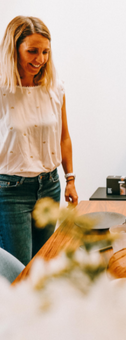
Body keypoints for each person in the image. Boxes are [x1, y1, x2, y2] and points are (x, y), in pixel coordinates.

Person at [0, 16, 78, 266]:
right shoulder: (2, 91)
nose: (40, 59)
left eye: (45, 51)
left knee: (43, 262)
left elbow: (64, 136)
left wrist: (70, 179)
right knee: (19, 269)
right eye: (32, 51)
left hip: (49, 186)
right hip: (10, 191)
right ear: (14, 49)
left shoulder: (54, 88)